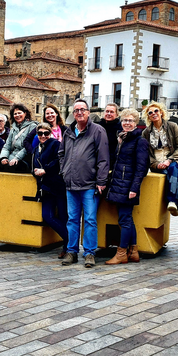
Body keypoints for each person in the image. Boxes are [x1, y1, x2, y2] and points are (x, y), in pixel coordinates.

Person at [58, 99, 109, 268]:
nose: (79, 113)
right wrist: (64, 171)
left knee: (90, 220)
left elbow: (103, 158)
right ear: (73, 114)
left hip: (89, 185)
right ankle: (72, 252)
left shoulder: (97, 131)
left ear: (88, 112)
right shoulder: (68, 132)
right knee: (72, 219)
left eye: (82, 110)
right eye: (76, 110)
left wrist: (101, 180)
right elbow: (61, 154)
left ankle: (89, 253)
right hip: (71, 184)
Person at [105, 108, 150, 265]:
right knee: (127, 219)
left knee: (124, 220)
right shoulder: (122, 139)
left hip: (128, 186)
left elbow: (142, 168)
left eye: (130, 121)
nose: (127, 123)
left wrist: (134, 188)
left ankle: (121, 253)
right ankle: (133, 252)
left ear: (136, 123)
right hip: (119, 184)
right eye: (124, 120)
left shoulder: (140, 141)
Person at [142, 101, 178, 216]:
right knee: (171, 175)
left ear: (161, 112)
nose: (154, 113)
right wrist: (155, 164)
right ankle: (173, 202)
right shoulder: (146, 133)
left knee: (174, 170)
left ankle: (172, 202)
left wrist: (169, 160)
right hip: (156, 163)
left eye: (156, 111)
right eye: (150, 113)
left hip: (173, 160)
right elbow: (145, 153)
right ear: (148, 117)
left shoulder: (172, 126)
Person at [33, 122, 68, 258]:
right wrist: (35, 171)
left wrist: (45, 170)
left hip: (58, 186)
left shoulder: (55, 144)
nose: (43, 136)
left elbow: (59, 162)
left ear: (50, 134)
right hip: (45, 188)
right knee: (47, 216)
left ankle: (67, 247)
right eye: (40, 133)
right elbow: (33, 165)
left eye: (46, 133)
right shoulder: (36, 148)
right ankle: (70, 239)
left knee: (63, 217)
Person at [0, 104, 37, 172]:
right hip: (12, 156)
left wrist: (17, 158)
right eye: (15, 114)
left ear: (25, 113)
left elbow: (28, 146)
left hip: (24, 157)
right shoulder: (13, 129)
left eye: (19, 113)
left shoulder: (32, 127)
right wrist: (4, 157)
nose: (17, 115)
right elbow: (7, 145)